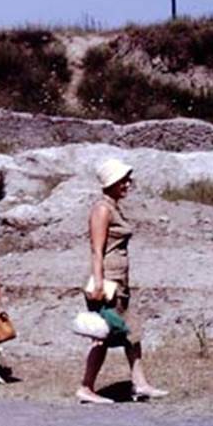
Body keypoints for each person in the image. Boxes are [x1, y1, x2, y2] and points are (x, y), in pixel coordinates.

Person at [77, 158, 167, 404]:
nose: (128, 184)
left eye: (128, 180)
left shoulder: (113, 207)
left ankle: (140, 384)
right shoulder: (102, 209)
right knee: (103, 334)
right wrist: (98, 283)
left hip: (119, 281)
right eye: (123, 180)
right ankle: (86, 387)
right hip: (108, 282)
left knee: (131, 332)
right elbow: (97, 249)